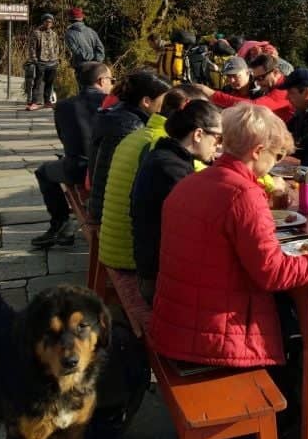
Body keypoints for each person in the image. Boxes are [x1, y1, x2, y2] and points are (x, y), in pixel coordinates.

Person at [148, 103, 308, 436]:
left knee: (293, 316)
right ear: (257, 151)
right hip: (214, 339)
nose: (276, 163)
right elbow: (273, 273)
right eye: (276, 155)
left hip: (180, 322)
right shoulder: (242, 194)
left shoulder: (192, 181)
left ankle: (307, 415)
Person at [98, 84, 206, 271]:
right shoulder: (165, 145)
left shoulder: (142, 135)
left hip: (114, 246)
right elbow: (210, 182)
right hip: (132, 258)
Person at [131, 100, 222, 303]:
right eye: (218, 138)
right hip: (159, 282)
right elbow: (205, 223)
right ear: (198, 134)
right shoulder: (171, 169)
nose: (219, 146)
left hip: (156, 270)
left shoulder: (166, 156)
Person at [31, 63, 115, 249]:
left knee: (43, 172)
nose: (112, 84)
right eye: (111, 80)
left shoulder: (63, 106)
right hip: (109, 170)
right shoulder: (115, 105)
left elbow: (64, 138)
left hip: (78, 169)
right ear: (101, 81)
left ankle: (60, 223)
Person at [88, 70, 171, 222]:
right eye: (164, 100)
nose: (166, 106)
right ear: (146, 101)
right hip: (111, 209)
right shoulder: (131, 127)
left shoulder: (118, 114)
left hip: (101, 200)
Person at [199, 54, 295, 123]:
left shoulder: (283, 90)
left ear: (276, 72)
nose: (258, 82)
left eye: (261, 78)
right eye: (256, 78)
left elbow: (253, 105)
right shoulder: (227, 90)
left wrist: (213, 94)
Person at [26, 13, 61, 111]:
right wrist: (35, 60)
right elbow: (32, 48)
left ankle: (47, 102)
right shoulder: (36, 33)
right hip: (41, 61)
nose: (48, 23)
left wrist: (57, 59)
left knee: (49, 83)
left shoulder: (54, 34)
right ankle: (34, 102)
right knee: (37, 83)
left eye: (50, 22)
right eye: (47, 21)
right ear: (43, 22)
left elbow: (57, 47)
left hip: (52, 62)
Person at [64, 7, 105, 90]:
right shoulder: (91, 31)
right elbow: (100, 48)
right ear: (81, 18)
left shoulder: (69, 34)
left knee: (84, 91)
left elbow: (76, 52)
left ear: (70, 18)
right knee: (97, 90)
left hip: (81, 67)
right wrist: (97, 60)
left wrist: (89, 59)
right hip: (96, 66)